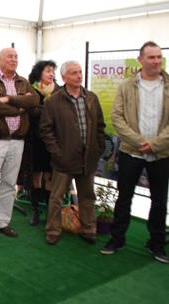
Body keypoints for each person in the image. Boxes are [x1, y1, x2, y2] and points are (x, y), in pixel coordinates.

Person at [100, 41, 169, 263]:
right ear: (141, 60)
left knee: (159, 200)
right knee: (124, 197)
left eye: (159, 57)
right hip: (132, 151)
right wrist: (139, 141)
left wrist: (156, 144)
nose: (157, 61)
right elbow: (117, 117)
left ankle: (156, 243)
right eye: (152, 57)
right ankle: (117, 239)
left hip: (161, 154)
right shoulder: (126, 86)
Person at [0, 48, 39, 250]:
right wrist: (20, 107)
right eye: (9, 56)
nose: (13, 59)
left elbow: (34, 101)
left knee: (10, 184)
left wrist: (10, 99)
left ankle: (1, 222)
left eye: (16, 56)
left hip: (17, 141)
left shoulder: (23, 82)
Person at [40, 60, 106, 245]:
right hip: (63, 160)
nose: (79, 75)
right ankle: (53, 230)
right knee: (56, 198)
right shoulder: (53, 101)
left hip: (88, 158)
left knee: (87, 196)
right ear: (64, 77)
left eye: (80, 72)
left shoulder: (92, 98)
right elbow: (46, 130)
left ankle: (89, 229)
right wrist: (57, 153)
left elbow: (100, 126)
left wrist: (98, 148)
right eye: (74, 73)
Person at [26, 60, 58, 225]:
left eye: (53, 71)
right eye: (48, 71)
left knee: (50, 175)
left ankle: (49, 212)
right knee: (36, 175)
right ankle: (35, 210)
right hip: (34, 139)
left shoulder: (58, 90)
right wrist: (48, 111)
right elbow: (30, 111)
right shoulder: (31, 89)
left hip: (53, 139)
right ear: (39, 73)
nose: (51, 74)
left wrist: (42, 110)